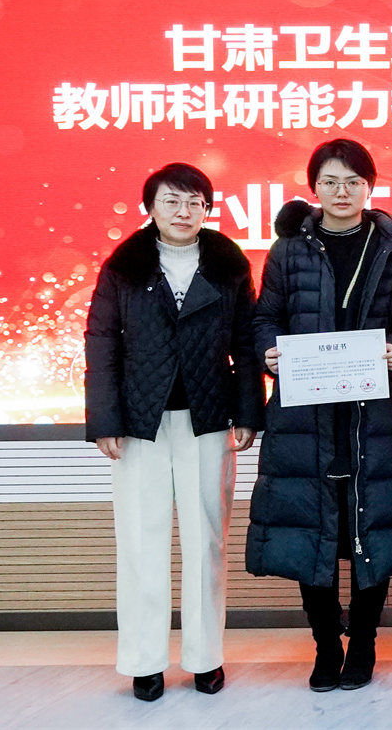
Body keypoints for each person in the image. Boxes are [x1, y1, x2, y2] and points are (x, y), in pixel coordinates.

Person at [248, 138, 392, 693]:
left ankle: (365, 644)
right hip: (306, 416)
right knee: (314, 531)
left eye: (353, 182)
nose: (342, 191)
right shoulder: (289, 250)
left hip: (373, 414)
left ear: (369, 187)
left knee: (371, 529)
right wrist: (269, 351)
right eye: (330, 181)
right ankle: (327, 646)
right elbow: (265, 317)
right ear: (314, 188)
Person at [85, 163, 262, 702]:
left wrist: (249, 412)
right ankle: (145, 661)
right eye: (172, 201)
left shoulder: (229, 263)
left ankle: (206, 658)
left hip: (209, 418)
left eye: (195, 202)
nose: (184, 212)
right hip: (140, 422)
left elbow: (247, 342)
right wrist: (105, 420)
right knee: (142, 538)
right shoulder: (124, 264)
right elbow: (101, 341)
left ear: (207, 209)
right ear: (151, 208)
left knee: (207, 540)